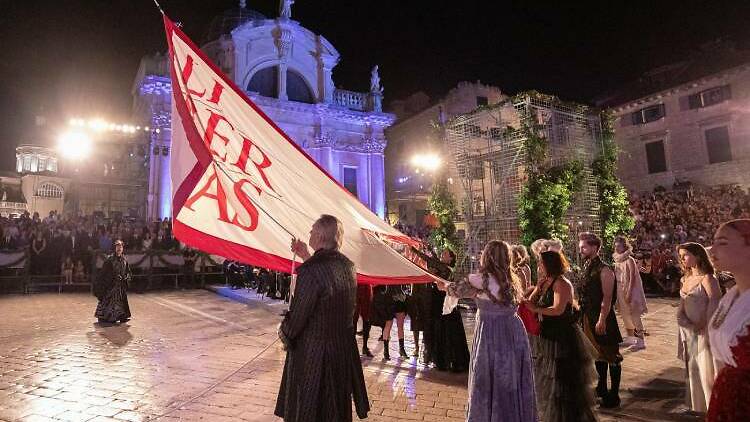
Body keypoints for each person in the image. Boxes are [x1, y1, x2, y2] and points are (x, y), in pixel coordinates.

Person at [274, 215, 369, 421]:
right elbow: (327, 284)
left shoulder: (311, 270)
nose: (308, 233)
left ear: (319, 236)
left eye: (311, 230)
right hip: (340, 352)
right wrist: (306, 255)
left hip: (314, 357)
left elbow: (298, 318)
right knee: (334, 409)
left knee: (311, 409)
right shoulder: (348, 266)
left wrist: (284, 332)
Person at [439, 240, 537, 421]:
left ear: (488, 257)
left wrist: (444, 285)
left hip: (490, 333)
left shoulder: (479, 279)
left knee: (488, 376)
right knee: (510, 376)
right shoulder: (513, 279)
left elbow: (454, 290)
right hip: (514, 331)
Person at [525, 250, 597, 422]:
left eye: (541, 263)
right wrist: (538, 288)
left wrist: (536, 310)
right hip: (548, 334)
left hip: (562, 336)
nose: (539, 266)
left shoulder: (562, 284)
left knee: (562, 380)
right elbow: (531, 302)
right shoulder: (547, 282)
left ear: (549, 264)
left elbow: (557, 309)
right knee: (548, 378)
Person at [707, 219, 750, 421]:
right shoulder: (730, 297)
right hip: (726, 397)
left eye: (722, 242)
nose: (711, 249)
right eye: (713, 241)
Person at [578, 232, 623, 408]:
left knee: (611, 355)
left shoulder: (604, 269)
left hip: (601, 318)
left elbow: (607, 297)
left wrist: (602, 319)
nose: (581, 249)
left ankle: (614, 394)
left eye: (584, 247)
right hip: (587, 316)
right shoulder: (587, 267)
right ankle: (602, 387)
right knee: (597, 354)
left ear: (594, 248)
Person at [676, 242, 721, 413]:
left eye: (686, 254)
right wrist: (683, 321)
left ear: (699, 256)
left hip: (705, 332)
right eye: (681, 256)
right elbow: (681, 306)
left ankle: (713, 407)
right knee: (692, 368)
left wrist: (702, 325)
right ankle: (699, 406)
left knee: (707, 369)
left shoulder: (709, 279)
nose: (682, 259)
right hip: (689, 330)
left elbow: (715, 303)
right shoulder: (685, 279)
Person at [612, 236, 648, 351]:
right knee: (625, 313)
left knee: (634, 314)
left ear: (624, 246)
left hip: (630, 289)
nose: (617, 248)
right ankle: (631, 338)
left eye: (619, 245)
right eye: (615, 245)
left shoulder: (629, 259)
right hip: (620, 287)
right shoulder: (617, 259)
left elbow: (632, 277)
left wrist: (628, 291)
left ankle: (641, 340)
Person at [94, 239, 132, 324]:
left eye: (121, 246)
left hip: (120, 286)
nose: (119, 248)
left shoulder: (124, 260)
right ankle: (106, 317)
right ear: (114, 248)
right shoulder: (109, 260)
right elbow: (104, 273)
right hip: (111, 285)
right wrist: (113, 277)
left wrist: (126, 277)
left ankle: (121, 316)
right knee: (109, 301)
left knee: (121, 301)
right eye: (117, 246)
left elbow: (128, 272)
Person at [369, 284, 410, 360]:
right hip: (390, 299)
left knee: (399, 326)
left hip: (398, 299)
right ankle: (387, 351)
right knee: (388, 326)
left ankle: (400, 350)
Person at [354, 283, 374, 357]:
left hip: (366, 286)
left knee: (367, 319)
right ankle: (353, 347)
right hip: (355, 285)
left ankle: (365, 347)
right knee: (354, 319)